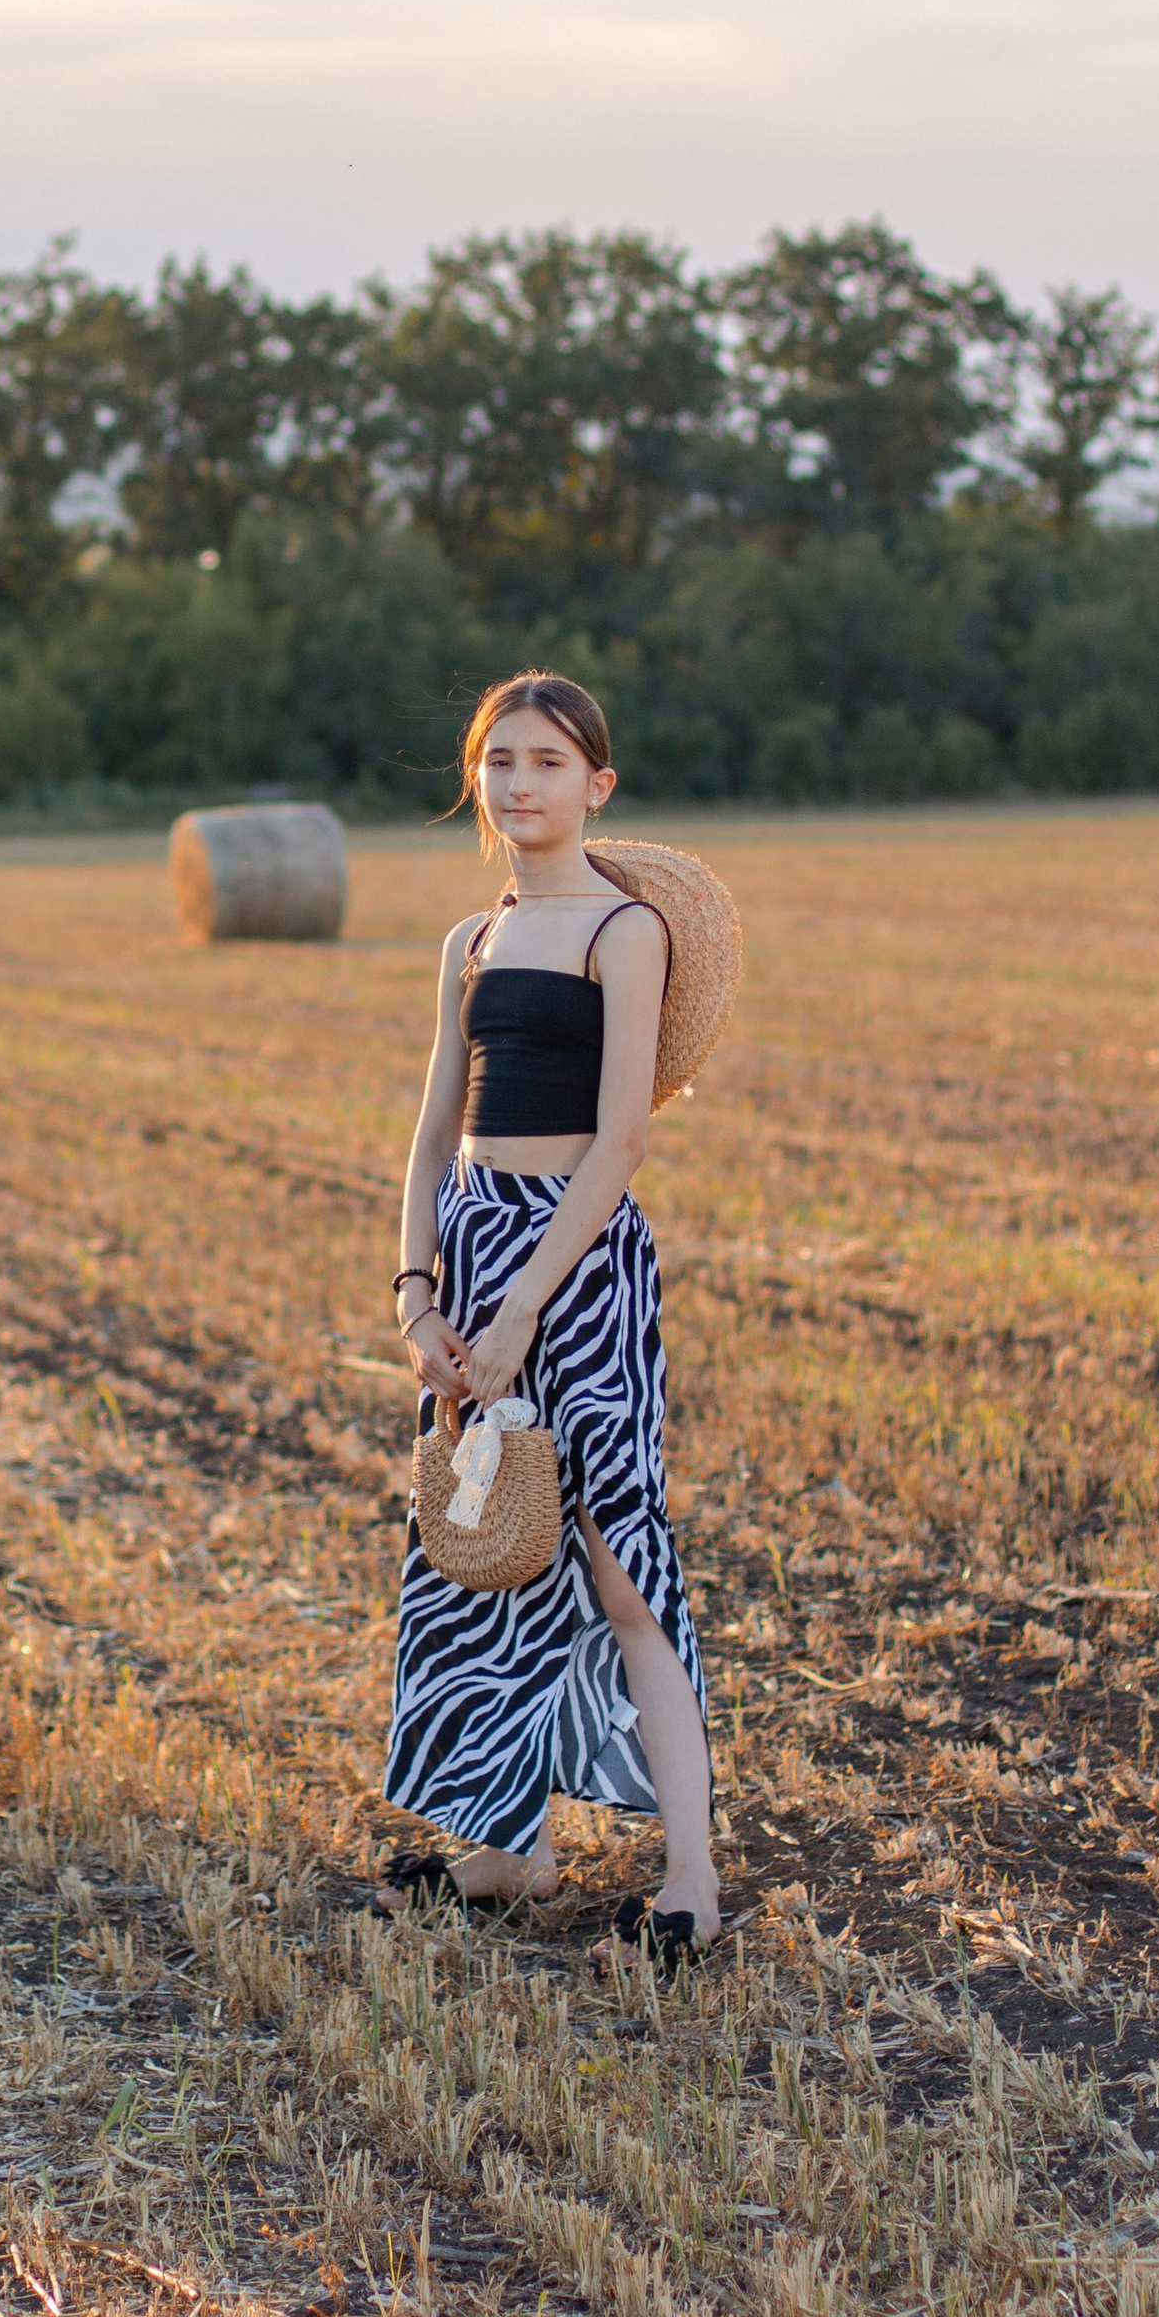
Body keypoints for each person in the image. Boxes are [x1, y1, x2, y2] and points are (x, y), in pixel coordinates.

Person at [378, 672, 718, 1966]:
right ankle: (512, 1847)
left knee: (618, 1558)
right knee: (488, 1545)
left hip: (574, 1263)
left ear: (597, 787)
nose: (520, 783)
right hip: (469, 1253)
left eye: (548, 763)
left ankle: (691, 1878)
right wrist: (419, 1298)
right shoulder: (468, 941)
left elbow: (620, 1142)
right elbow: (426, 1139)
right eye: (499, 760)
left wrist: (524, 1306)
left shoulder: (620, 932)